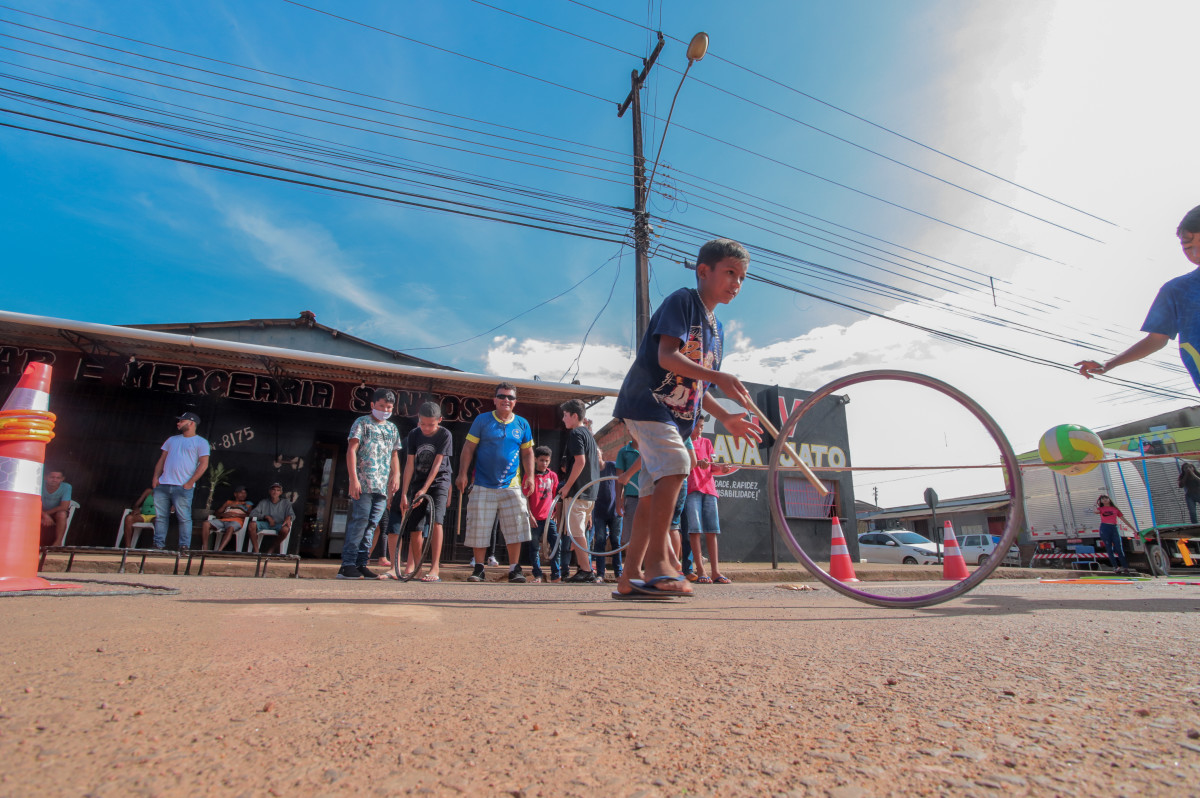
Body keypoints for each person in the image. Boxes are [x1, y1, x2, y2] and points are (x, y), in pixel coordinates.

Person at [612, 238, 762, 599]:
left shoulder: (718, 330)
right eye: (730, 273)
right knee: (679, 463)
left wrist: (726, 417)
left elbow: (699, 385)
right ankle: (659, 564)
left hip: (676, 418)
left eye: (742, 278)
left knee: (651, 495)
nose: (736, 283)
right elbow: (667, 356)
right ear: (703, 271)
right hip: (648, 404)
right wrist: (718, 377)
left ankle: (629, 577)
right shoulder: (683, 301)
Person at [1077, 204, 1200, 388]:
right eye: (1188, 247)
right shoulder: (1177, 291)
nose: (1196, 253)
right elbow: (1155, 339)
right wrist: (1109, 364)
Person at [456, 382, 535, 583]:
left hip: (512, 485)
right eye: (501, 396)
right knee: (479, 527)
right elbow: (468, 447)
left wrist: (531, 476)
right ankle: (479, 569)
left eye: (510, 397)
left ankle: (515, 569)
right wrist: (462, 474)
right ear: (494, 400)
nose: (506, 400)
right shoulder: (482, 420)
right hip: (483, 483)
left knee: (516, 527)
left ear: (515, 401)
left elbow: (528, 453)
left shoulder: (522, 424)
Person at [339, 388, 401, 579]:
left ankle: (361, 563)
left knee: (373, 525)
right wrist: (353, 479)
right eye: (381, 406)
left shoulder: (392, 428)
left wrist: (397, 474)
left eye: (388, 407)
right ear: (373, 405)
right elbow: (351, 450)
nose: (385, 410)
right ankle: (347, 564)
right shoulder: (362, 422)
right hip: (364, 483)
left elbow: (394, 454)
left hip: (381, 486)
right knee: (360, 521)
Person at [393, 401, 453, 582]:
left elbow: (437, 464)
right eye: (423, 423)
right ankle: (417, 568)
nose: (426, 428)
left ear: (439, 420)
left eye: (431, 425)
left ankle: (434, 568)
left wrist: (424, 490)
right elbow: (409, 464)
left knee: (436, 521)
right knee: (415, 525)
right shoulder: (414, 434)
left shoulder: (445, 434)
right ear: (418, 419)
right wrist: (404, 493)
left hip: (439, 481)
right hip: (418, 481)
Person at [685, 415, 736, 584]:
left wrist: (723, 469)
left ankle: (716, 571)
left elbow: (713, 467)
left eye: (701, 426)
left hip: (709, 489)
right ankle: (700, 570)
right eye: (697, 426)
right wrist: (696, 462)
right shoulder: (684, 442)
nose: (699, 429)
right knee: (695, 530)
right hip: (691, 489)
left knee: (712, 530)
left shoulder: (707, 443)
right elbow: (683, 465)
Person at [151, 412, 210, 551]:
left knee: (184, 517)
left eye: (181, 421)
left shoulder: (201, 442)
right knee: (160, 517)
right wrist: (155, 478)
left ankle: (184, 546)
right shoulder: (171, 439)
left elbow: (204, 464)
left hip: (183, 486)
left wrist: (190, 482)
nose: (178, 423)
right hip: (164, 483)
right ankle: (158, 545)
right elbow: (162, 460)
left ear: (191, 423)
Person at [559, 399, 601, 583]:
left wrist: (567, 486)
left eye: (565, 415)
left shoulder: (576, 433)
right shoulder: (589, 435)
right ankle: (584, 569)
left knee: (576, 533)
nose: (563, 419)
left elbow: (580, 461)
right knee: (578, 532)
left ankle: (586, 571)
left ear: (574, 416)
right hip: (590, 492)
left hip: (578, 492)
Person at [526, 445, 559, 583]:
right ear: (535, 460)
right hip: (535, 518)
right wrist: (530, 515)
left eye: (546, 461)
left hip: (549, 517)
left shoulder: (553, 476)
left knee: (556, 544)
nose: (544, 463)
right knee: (534, 547)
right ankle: (537, 574)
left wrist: (556, 512)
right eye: (541, 460)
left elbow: (556, 496)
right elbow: (525, 497)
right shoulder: (530, 476)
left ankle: (556, 575)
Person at [591, 459, 622, 582]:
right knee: (600, 542)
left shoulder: (612, 466)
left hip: (615, 510)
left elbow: (621, 481)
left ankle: (618, 573)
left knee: (616, 541)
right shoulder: (592, 470)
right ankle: (600, 574)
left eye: (597, 454)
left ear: (601, 455)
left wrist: (621, 502)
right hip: (599, 512)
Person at [201, 485, 253, 551]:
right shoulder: (228, 502)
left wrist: (236, 515)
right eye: (241, 493)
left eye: (245, 493)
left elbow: (250, 515)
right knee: (206, 523)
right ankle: (205, 549)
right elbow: (217, 513)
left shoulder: (248, 504)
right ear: (235, 494)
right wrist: (224, 514)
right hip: (223, 521)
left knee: (230, 527)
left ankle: (219, 550)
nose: (243, 495)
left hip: (236, 521)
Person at [1093, 494, 1136, 575]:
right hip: (1105, 528)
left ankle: (1125, 567)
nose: (1105, 500)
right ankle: (1116, 567)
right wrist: (1095, 504)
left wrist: (1133, 528)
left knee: (1119, 548)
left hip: (1114, 528)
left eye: (1106, 498)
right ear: (1101, 501)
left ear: (1109, 499)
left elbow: (1123, 519)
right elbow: (1095, 511)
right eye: (1102, 499)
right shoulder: (1101, 509)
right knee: (1109, 548)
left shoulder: (1115, 509)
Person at [249, 483, 296, 554]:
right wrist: (266, 517)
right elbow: (252, 513)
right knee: (252, 525)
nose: (275, 492)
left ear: (281, 493)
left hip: (279, 524)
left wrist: (288, 517)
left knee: (285, 529)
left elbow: (292, 515)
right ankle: (256, 551)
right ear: (270, 491)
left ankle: (272, 549)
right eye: (273, 490)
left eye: (278, 490)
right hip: (266, 524)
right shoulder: (264, 502)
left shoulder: (286, 503)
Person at [39, 468, 73, 547]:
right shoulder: (39, 484)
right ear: (45, 477)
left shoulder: (66, 487)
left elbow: (64, 507)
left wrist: (46, 514)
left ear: (62, 479)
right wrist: (43, 514)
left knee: (62, 514)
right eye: (52, 477)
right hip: (38, 511)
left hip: (54, 513)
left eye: (58, 478)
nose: (54, 480)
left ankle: (58, 543)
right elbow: (31, 503)